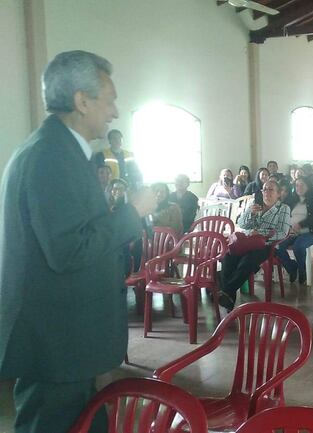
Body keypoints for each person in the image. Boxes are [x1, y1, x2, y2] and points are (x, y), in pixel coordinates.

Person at [0, 50, 157, 433]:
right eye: (109, 99)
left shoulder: (63, 150)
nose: (115, 111)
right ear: (81, 100)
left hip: (68, 337)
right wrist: (132, 213)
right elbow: (69, 249)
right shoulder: (50, 156)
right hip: (55, 341)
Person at [218, 179, 291, 311]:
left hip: (267, 245)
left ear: (278, 194)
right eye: (264, 189)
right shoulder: (255, 204)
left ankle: (225, 291)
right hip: (248, 242)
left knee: (247, 261)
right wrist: (250, 213)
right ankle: (228, 297)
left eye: (271, 190)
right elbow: (242, 224)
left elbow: (283, 232)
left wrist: (260, 232)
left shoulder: (283, 208)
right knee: (228, 257)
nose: (266, 193)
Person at [276, 177, 313, 285]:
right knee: (277, 245)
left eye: (302, 184)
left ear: (308, 185)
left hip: (311, 233)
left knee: (298, 246)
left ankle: (302, 271)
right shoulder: (292, 200)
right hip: (292, 232)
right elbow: (285, 216)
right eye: (297, 185)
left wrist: (301, 225)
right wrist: (288, 227)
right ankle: (292, 267)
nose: (299, 187)